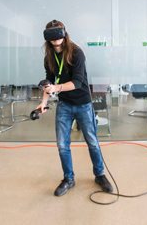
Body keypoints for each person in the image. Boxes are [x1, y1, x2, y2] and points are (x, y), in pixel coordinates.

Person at [35, 20, 113, 197]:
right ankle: (68, 178)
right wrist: (44, 102)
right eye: (51, 35)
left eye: (58, 34)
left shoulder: (76, 53)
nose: (55, 39)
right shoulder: (49, 57)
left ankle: (100, 175)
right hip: (64, 105)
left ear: (64, 33)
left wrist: (56, 88)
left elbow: (77, 82)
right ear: (47, 37)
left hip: (83, 103)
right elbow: (49, 81)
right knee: (62, 145)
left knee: (92, 142)